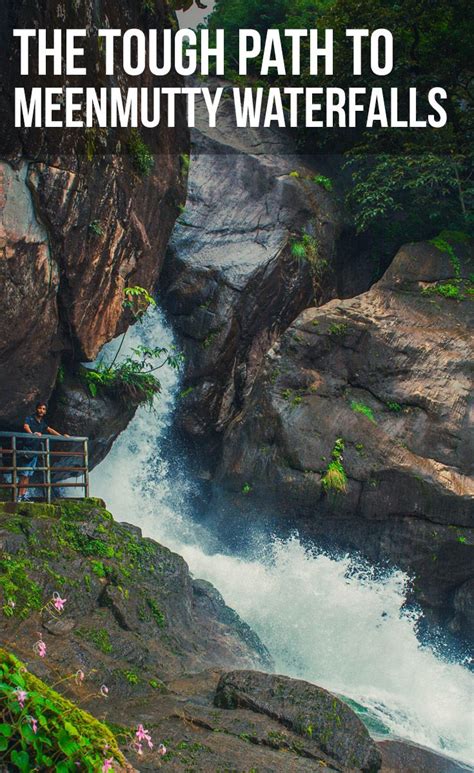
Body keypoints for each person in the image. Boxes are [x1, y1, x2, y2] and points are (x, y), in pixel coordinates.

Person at [17, 402, 69, 500]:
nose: (41, 410)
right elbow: (26, 426)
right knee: (23, 474)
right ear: (36, 409)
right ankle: (19, 496)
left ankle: (24, 495)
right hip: (27, 450)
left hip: (35, 452)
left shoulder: (42, 423)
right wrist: (32, 434)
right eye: (40, 408)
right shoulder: (30, 418)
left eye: (44, 409)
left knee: (28, 475)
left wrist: (62, 436)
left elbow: (50, 430)